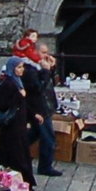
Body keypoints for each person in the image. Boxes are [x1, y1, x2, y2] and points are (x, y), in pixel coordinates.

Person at [24, 47, 64, 177]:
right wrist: (46, 70)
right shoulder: (30, 69)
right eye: (43, 52)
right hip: (38, 108)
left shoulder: (39, 67)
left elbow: (49, 82)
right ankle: (45, 166)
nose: (47, 55)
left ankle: (10, 151)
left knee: (35, 133)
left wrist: (51, 69)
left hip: (45, 106)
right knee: (48, 138)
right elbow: (38, 88)